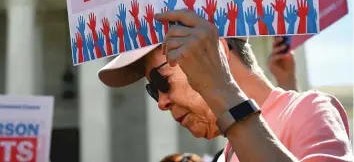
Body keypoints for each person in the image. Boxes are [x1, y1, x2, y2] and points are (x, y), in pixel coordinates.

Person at [98, 9, 353, 162]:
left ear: (217, 51)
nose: (162, 102)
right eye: (153, 91)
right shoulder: (225, 153)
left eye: (160, 81)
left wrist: (223, 91)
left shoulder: (309, 109)